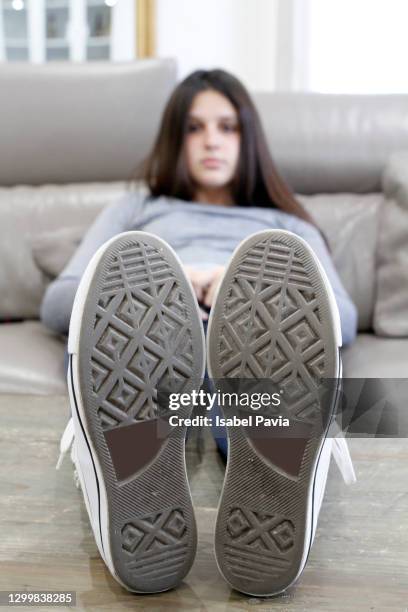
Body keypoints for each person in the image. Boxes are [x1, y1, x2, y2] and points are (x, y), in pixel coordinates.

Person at [44, 69, 358, 597]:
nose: (211, 139)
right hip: (153, 346)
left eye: (227, 126)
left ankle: (270, 474)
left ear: (249, 137)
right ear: (174, 139)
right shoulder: (137, 211)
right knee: (163, 387)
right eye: (194, 128)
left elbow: (341, 315)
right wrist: (177, 283)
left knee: (247, 394)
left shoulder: (287, 227)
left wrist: (227, 280)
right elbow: (61, 299)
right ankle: (138, 463)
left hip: (256, 347)